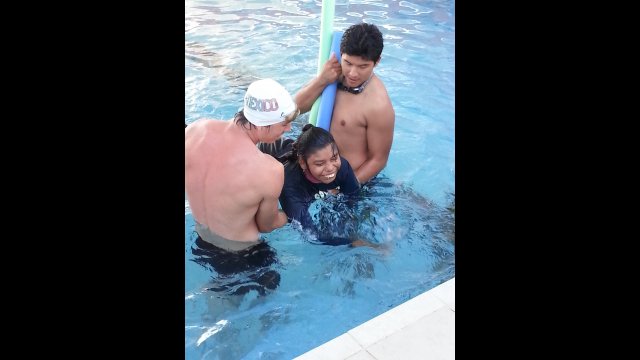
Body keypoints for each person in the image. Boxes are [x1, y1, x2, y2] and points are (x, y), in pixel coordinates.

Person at [185, 78, 300, 295]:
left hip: (201, 244)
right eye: (283, 123)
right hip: (243, 257)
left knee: (218, 305)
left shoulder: (194, 132)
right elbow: (267, 225)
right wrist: (295, 209)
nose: (289, 128)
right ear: (263, 125)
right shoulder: (269, 170)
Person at [294, 23, 395, 185]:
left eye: (363, 66)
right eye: (348, 63)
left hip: (346, 179)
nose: (353, 73)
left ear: (376, 62)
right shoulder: (332, 74)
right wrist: (321, 81)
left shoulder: (378, 105)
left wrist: (343, 188)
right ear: (341, 55)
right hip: (313, 167)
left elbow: (378, 160)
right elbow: (294, 110)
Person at [260, 124, 377, 247]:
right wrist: (352, 242)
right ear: (303, 163)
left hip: (292, 149)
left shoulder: (342, 167)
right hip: (267, 152)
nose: (331, 168)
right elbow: (311, 234)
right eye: (320, 164)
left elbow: (353, 198)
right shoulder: (290, 187)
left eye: (334, 158)